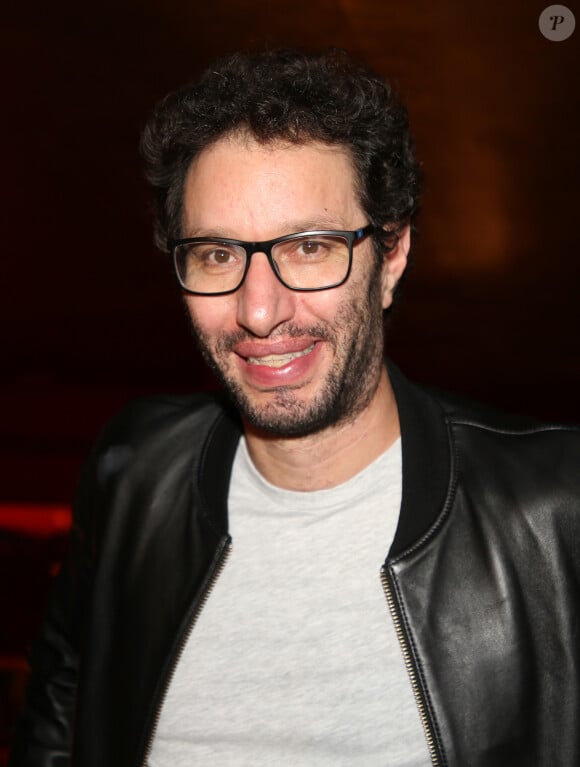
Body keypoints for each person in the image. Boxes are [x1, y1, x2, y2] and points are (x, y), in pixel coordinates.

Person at [9, 49, 580, 767]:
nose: (257, 310)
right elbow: (58, 721)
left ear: (393, 253)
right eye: (217, 254)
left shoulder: (557, 508)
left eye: (309, 247)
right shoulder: (134, 473)